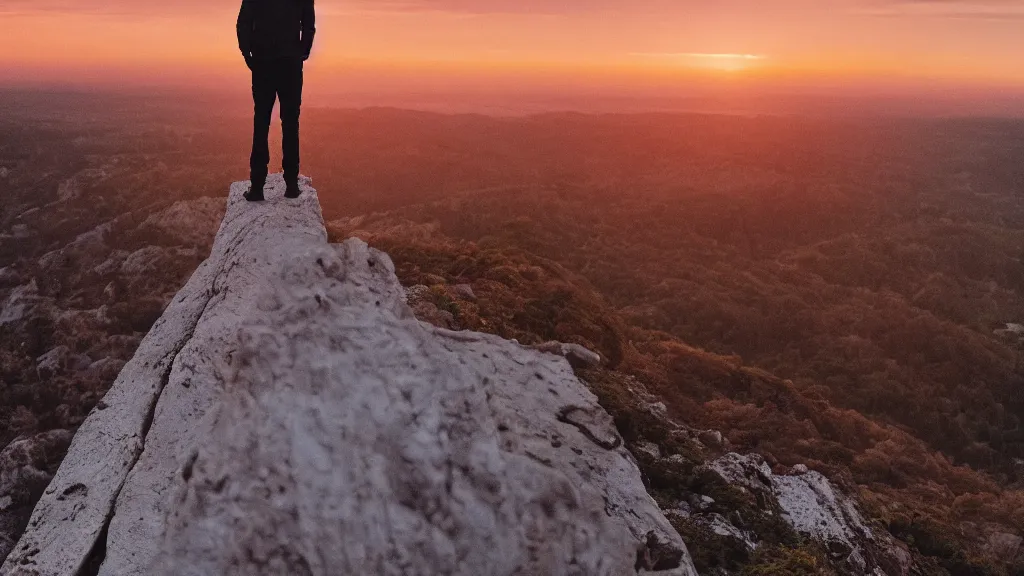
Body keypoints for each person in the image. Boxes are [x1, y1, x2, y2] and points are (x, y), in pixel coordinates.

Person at [236, 0, 315, 201]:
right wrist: (302, 52)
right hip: (290, 63)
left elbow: (243, 22)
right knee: (290, 123)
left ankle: (257, 186)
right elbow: (308, 25)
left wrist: (247, 53)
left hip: (263, 61)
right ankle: (291, 185)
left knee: (261, 122)